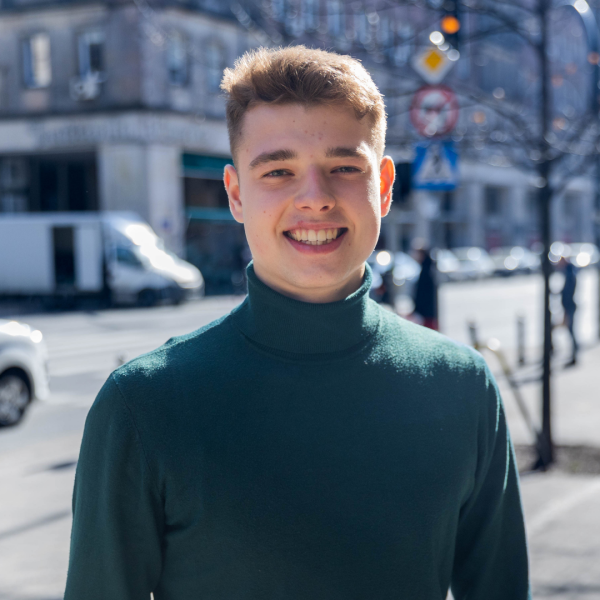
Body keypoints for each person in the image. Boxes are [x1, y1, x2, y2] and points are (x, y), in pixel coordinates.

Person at [64, 46, 530, 600]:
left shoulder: (463, 389)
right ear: (236, 192)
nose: (315, 199)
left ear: (383, 185)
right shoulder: (143, 406)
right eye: (279, 170)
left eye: (343, 168)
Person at [412, 245, 439, 330]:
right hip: (429, 312)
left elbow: (423, 293)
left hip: (427, 313)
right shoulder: (428, 268)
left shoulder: (426, 271)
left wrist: (417, 309)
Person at [560, 256, 578, 366]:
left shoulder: (569, 273)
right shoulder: (569, 271)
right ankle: (574, 354)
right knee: (569, 330)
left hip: (569, 306)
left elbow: (568, 290)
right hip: (568, 305)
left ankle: (574, 354)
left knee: (571, 330)